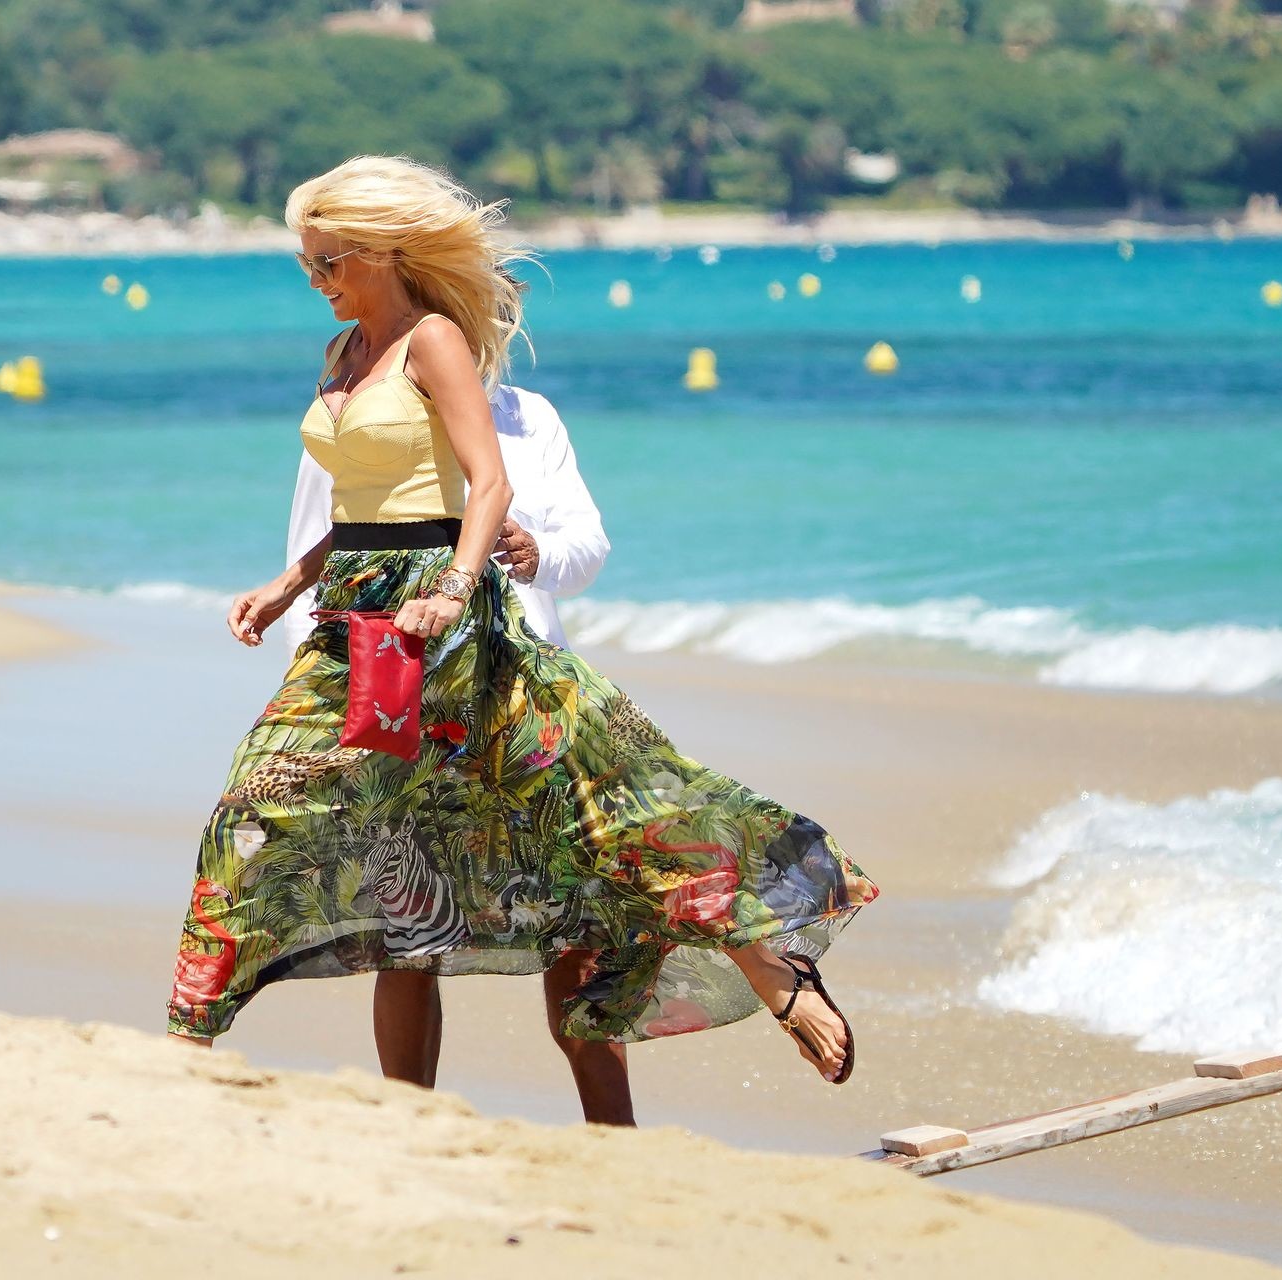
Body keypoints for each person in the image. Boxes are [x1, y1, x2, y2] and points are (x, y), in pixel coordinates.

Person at [166, 154, 880, 1097]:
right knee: (255, 807)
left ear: (381, 252)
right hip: (357, 624)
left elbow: (489, 483)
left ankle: (767, 965)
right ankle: (185, 1045)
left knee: (608, 814)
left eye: (327, 261)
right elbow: (357, 509)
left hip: (453, 627)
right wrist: (285, 583)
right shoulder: (344, 354)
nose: (314, 279)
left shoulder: (433, 342)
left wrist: (455, 589)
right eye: (306, 262)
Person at [281, 386, 631, 1122]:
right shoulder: (361, 404)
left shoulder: (527, 415)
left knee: (576, 917)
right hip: (405, 702)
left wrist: (539, 555)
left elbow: (587, 545)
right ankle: (410, 1126)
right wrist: (323, 711)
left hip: (526, 698)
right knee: (409, 930)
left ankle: (615, 1135)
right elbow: (320, 560)